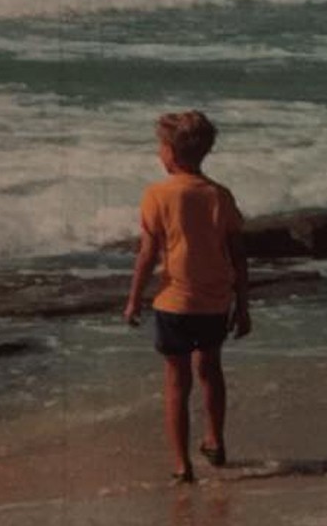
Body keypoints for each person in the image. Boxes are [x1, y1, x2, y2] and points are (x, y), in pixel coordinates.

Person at [124, 110, 250, 484]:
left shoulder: (157, 195)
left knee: (177, 382)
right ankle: (215, 439)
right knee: (210, 370)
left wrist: (133, 299)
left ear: (171, 153)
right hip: (214, 301)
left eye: (161, 148)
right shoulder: (219, 195)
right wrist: (243, 305)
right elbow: (238, 256)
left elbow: (147, 254)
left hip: (174, 303)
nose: (159, 155)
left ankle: (181, 465)